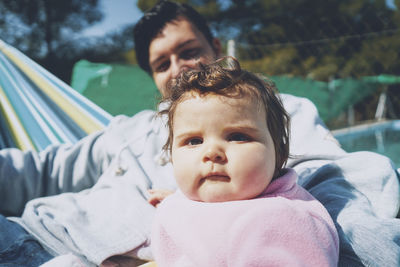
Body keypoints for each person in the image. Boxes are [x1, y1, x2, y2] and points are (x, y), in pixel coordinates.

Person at [0, 0, 398, 266]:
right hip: (44, 239)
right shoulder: (125, 133)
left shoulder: (275, 110)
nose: (179, 68)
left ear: (214, 45)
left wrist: (361, 242)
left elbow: (332, 177)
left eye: (188, 50)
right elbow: (39, 169)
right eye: (162, 63)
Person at [150, 56, 339, 266]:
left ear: (279, 154)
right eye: (194, 141)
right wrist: (175, 199)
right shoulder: (189, 200)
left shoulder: (280, 222)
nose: (212, 152)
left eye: (238, 137)